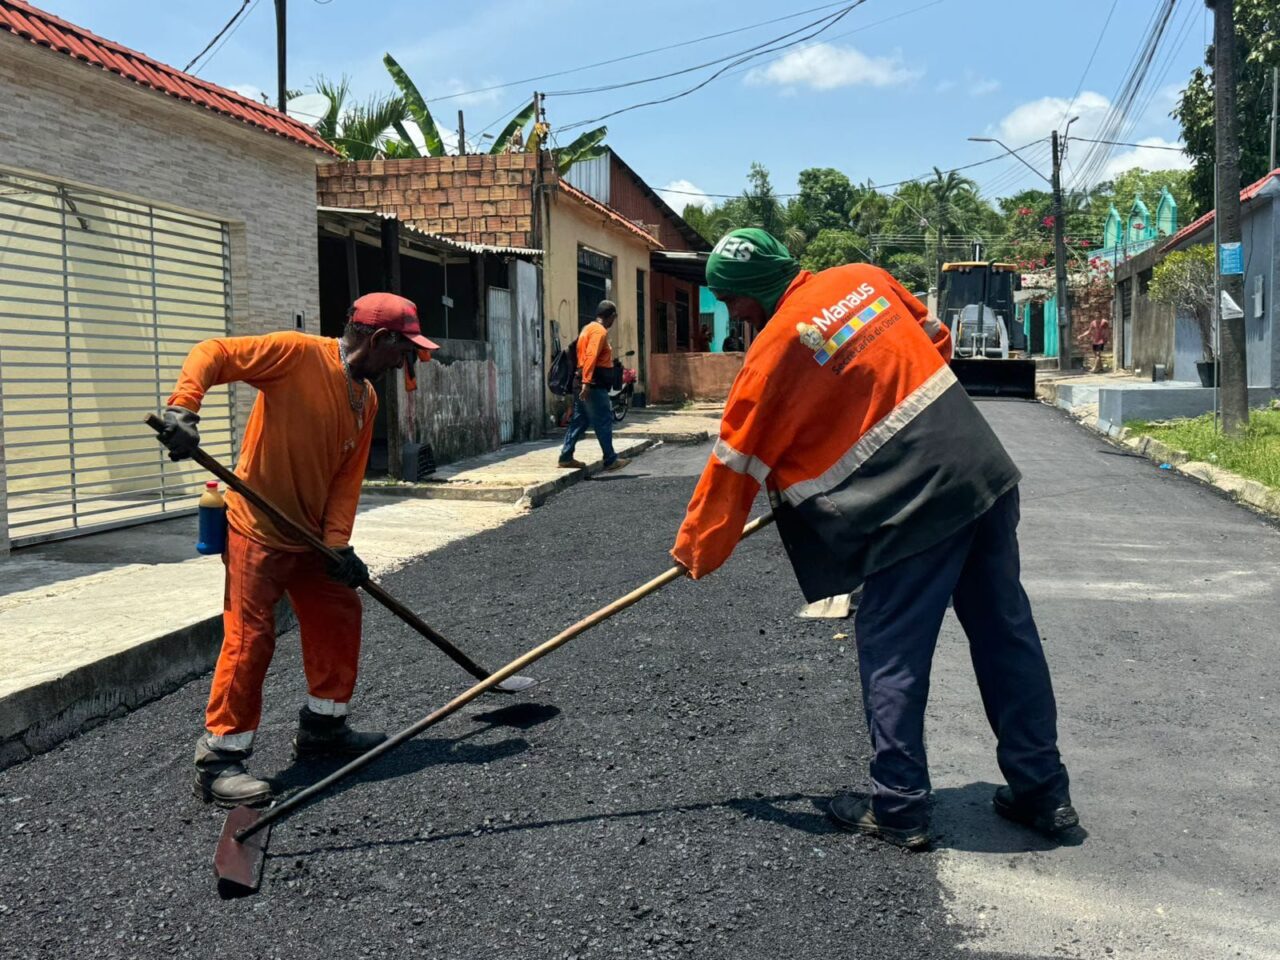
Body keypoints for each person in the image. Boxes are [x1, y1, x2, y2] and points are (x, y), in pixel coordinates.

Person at [671, 229, 1077, 850]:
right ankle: (1043, 792)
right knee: (1004, 632)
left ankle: (900, 806)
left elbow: (735, 461)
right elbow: (934, 340)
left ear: (749, 295)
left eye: (730, 301)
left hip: (907, 508)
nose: (731, 315)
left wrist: (698, 549)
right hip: (979, 470)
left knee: (892, 646)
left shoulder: (773, 350)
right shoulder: (862, 278)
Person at [156, 293, 437, 807]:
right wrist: (183, 408)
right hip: (256, 530)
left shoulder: (367, 400)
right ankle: (219, 758)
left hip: (309, 538)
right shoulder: (295, 354)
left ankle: (323, 729)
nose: (402, 364)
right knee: (251, 638)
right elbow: (213, 352)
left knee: (339, 611)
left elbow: (345, 483)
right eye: (402, 352)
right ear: (379, 340)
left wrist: (336, 546)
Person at [557, 299, 631, 472]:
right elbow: (591, 356)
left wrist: (583, 381)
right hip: (593, 385)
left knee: (580, 420)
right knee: (604, 420)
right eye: (614, 317)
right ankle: (610, 459)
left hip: (581, 381)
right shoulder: (599, 331)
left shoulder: (587, 328)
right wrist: (587, 382)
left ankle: (566, 456)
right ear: (611, 316)